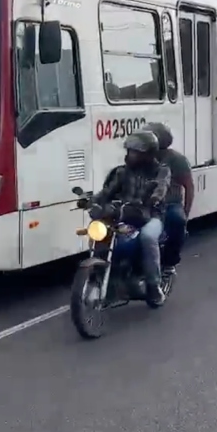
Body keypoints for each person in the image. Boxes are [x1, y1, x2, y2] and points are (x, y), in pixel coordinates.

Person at [91, 130, 171, 305]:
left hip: (151, 215)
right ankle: (107, 280)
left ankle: (153, 286)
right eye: (129, 151)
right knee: (104, 232)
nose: (130, 155)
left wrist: (155, 198)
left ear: (148, 154)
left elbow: (161, 187)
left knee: (147, 237)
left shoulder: (161, 171)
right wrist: (93, 201)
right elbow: (107, 191)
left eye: (135, 152)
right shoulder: (122, 172)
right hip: (126, 213)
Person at [142, 122, 193, 275]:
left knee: (177, 220)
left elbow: (188, 186)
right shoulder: (140, 158)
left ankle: (170, 262)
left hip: (170, 204)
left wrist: (186, 212)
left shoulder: (177, 160)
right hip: (143, 203)